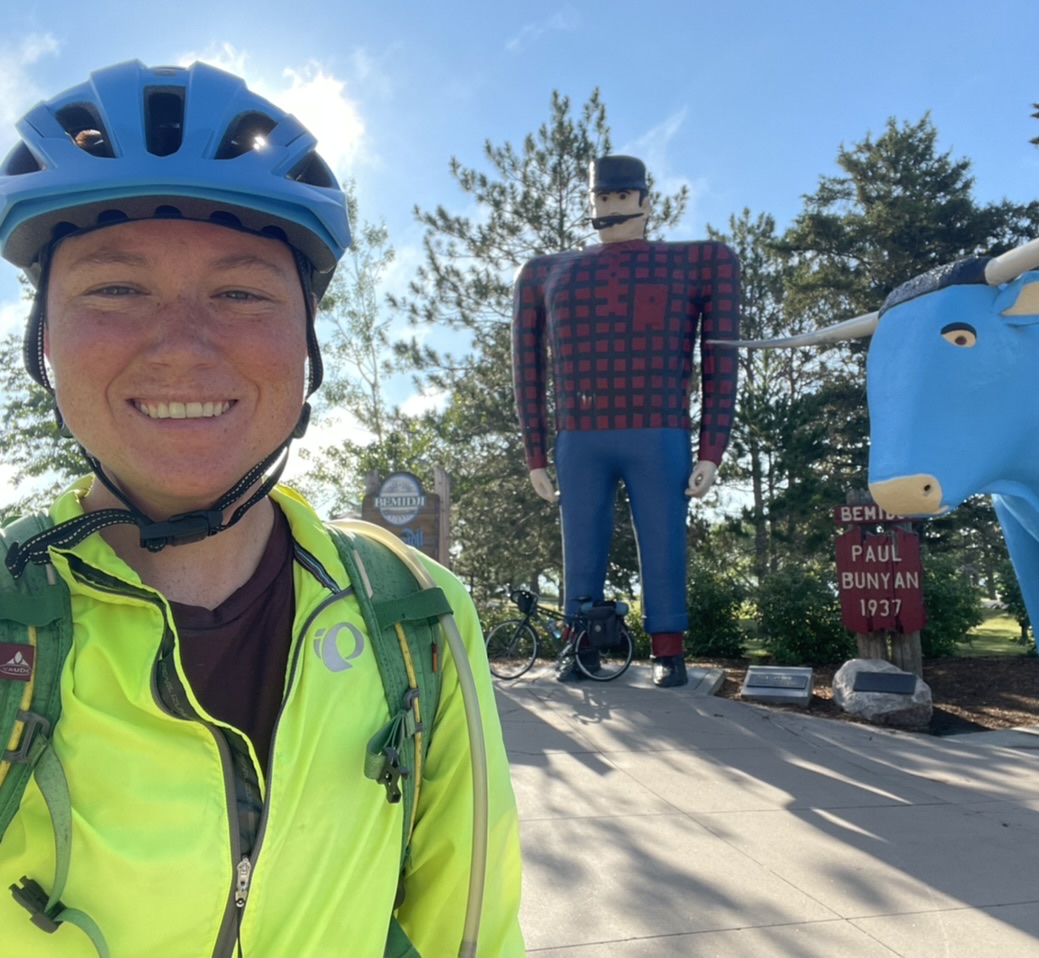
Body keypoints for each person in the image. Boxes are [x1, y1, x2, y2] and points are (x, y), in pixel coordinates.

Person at [0, 60, 523, 956]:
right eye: (116, 289)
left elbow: (467, 935)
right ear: (42, 337)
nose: (183, 349)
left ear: (309, 341)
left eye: (241, 292)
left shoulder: (419, 616)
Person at [512, 155, 740, 687]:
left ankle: (668, 649)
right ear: (592, 203)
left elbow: (721, 357)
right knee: (580, 542)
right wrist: (535, 454)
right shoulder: (544, 273)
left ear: (643, 201)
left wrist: (712, 449)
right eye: (602, 199)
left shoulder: (701, 262)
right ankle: (578, 645)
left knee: (664, 539)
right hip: (581, 433)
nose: (610, 207)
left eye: (620, 198)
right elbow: (527, 367)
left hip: (659, 427)